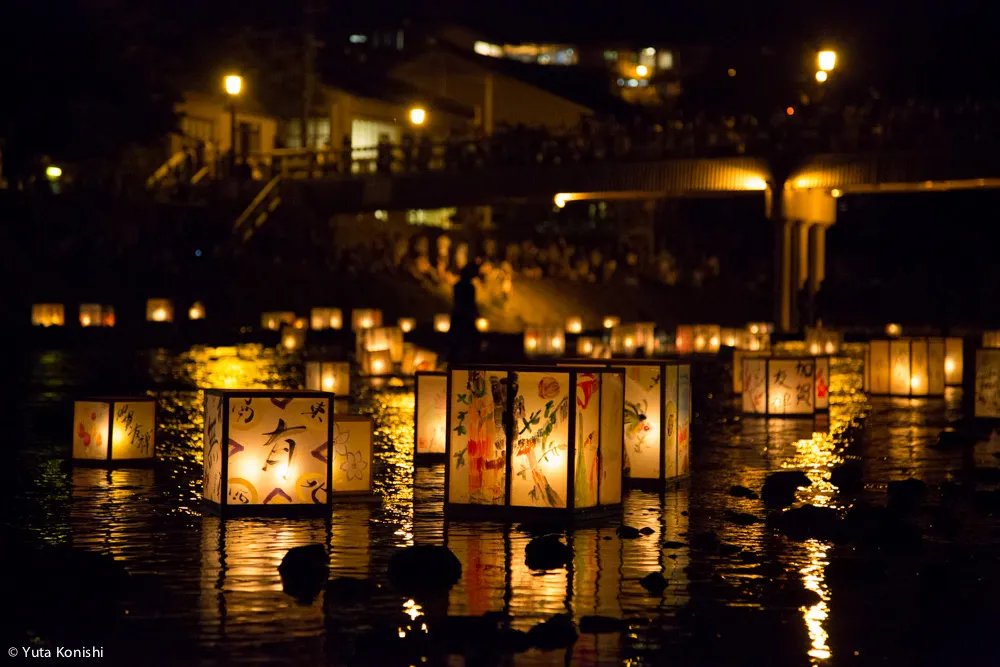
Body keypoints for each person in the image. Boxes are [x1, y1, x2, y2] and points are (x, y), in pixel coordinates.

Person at [450, 261, 482, 363]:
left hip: (459, 317)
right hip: (465, 318)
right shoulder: (468, 287)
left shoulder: (458, 286)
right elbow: (468, 303)